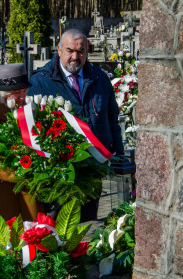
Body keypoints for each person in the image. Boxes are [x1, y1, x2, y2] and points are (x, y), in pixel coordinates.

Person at [28, 28, 124, 222]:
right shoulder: (40, 82)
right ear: (59, 49)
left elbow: (112, 119)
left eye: (81, 52)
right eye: (70, 50)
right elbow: (33, 128)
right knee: (58, 229)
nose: (75, 56)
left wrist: (119, 155)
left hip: (93, 168)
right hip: (58, 174)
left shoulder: (99, 78)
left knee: (88, 224)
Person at [0, 63, 43, 222]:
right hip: (1, 194)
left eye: (24, 91)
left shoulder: (26, 109)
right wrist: (27, 173)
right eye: (16, 92)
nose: (22, 97)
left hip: (28, 193)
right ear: (1, 93)